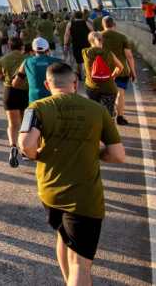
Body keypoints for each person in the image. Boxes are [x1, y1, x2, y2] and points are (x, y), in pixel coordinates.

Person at [18, 62, 126, 286]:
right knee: (81, 264)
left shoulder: (36, 107)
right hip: (85, 198)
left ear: (47, 84)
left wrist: (37, 155)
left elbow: (25, 144)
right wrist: (98, 153)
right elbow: (118, 155)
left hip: (50, 193)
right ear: (75, 83)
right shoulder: (97, 110)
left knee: (63, 235)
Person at [0, 37, 29, 168]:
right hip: (25, 92)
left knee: (12, 124)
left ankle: (13, 146)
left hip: (9, 92)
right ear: (22, 47)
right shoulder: (26, 59)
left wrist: (7, 77)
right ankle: (25, 151)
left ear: (9, 47)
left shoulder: (3, 59)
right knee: (25, 124)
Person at [100, 18, 136, 126]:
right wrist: (133, 71)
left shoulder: (98, 37)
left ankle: (106, 117)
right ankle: (120, 117)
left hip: (104, 71)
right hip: (121, 71)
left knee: (105, 95)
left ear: (103, 25)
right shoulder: (122, 37)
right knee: (121, 94)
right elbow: (129, 56)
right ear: (114, 24)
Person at [81, 32, 123, 117]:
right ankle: (109, 127)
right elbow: (120, 67)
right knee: (108, 114)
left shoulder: (85, 52)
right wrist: (112, 76)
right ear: (102, 41)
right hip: (108, 88)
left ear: (89, 41)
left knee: (94, 112)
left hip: (91, 87)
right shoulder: (109, 53)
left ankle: (96, 128)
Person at [13, 38, 61, 105]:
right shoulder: (58, 62)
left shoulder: (27, 62)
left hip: (34, 101)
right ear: (48, 49)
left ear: (33, 50)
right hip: (53, 100)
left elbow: (15, 84)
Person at [64, 12, 92, 79]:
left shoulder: (70, 24)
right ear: (82, 16)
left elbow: (67, 35)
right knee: (87, 59)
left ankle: (82, 76)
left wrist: (65, 44)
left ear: (74, 16)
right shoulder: (86, 23)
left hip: (76, 44)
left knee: (79, 60)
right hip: (86, 43)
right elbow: (92, 31)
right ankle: (88, 74)